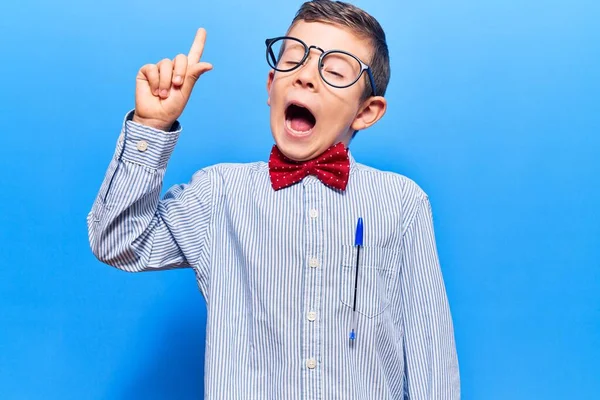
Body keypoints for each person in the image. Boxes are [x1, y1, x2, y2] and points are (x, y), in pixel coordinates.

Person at [87, 0, 460, 398]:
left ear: (366, 112)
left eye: (333, 71)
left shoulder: (402, 203)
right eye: (293, 60)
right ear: (271, 86)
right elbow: (118, 243)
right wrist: (152, 126)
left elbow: (430, 351)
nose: (305, 78)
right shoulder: (220, 194)